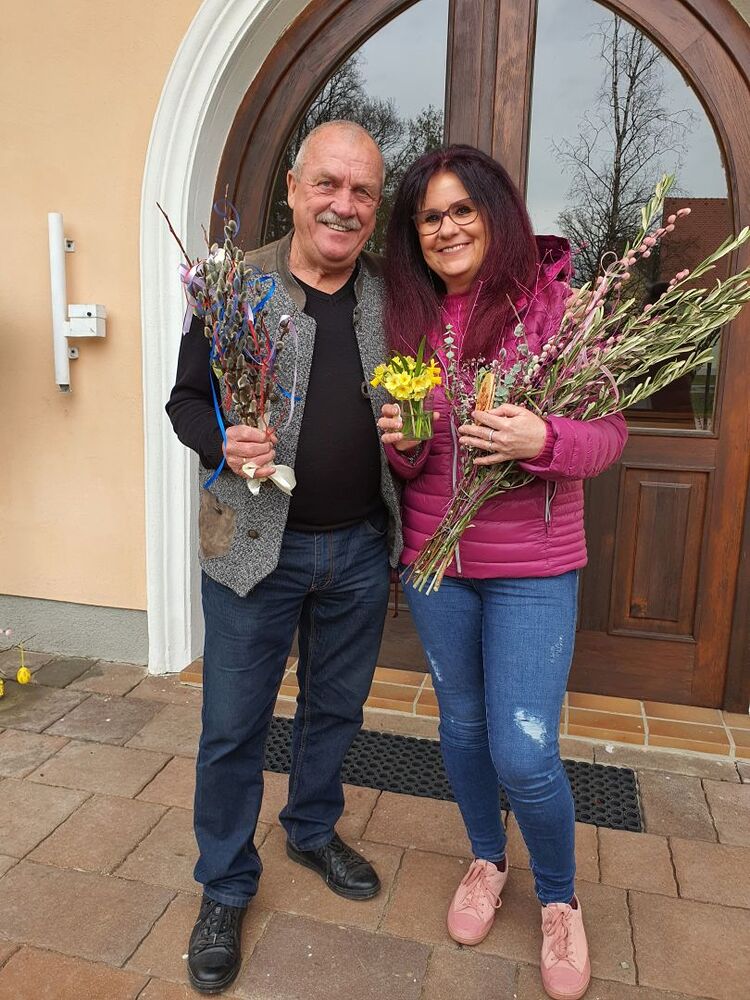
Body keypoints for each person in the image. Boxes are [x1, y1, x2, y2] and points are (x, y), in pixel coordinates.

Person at [378, 145, 627, 1000]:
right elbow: (413, 463)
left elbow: (608, 436)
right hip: (435, 563)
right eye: (429, 216)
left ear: (495, 213)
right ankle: (487, 859)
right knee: (461, 730)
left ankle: (559, 898)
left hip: (532, 568)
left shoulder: (552, 307)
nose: (446, 228)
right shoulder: (410, 319)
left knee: (524, 752)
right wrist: (406, 447)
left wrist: (543, 438)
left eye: (462, 209)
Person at [166, 120, 402, 995]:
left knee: (334, 710)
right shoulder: (234, 286)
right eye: (328, 184)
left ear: (375, 207)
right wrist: (222, 441)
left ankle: (309, 829)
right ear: (295, 189)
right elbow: (185, 401)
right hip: (251, 550)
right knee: (233, 726)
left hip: (359, 547)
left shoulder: (393, 295)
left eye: (363, 191)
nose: (344, 205)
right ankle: (226, 884)